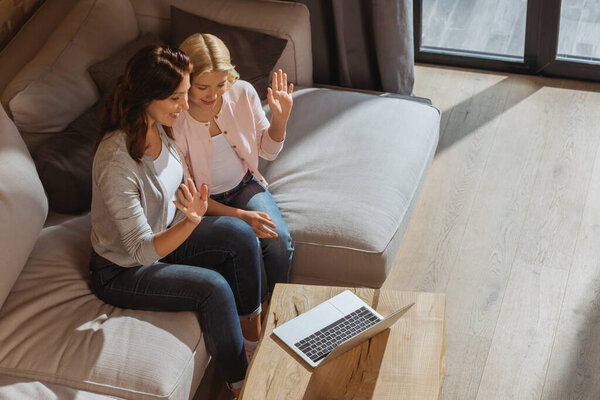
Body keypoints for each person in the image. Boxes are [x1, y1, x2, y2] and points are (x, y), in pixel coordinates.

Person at [89, 45, 262, 396]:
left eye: (185, 95)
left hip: (167, 235)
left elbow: (176, 190)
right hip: (121, 268)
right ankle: (243, 385)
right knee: (213, 289)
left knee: (239, 235)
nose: (185, 107)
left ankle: (255, 345)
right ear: (145, 96)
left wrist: (204, 210)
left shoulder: (158, 123)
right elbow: (140, 251)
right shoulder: (115, 160)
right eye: (175, 99)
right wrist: (190, 222)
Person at [173, 34, 295, 353]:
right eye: (203, 87)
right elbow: (186, 194)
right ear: (185, 79)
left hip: (245, 186)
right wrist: (241, 216)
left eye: (220, 84)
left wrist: (280, 120)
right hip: (204, 206)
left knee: (279, 243)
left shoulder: (242, 94)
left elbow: (267, 150)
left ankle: (275, 314)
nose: (213, 95)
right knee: (247, 244)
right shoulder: (176, 120)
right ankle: (256, 323)